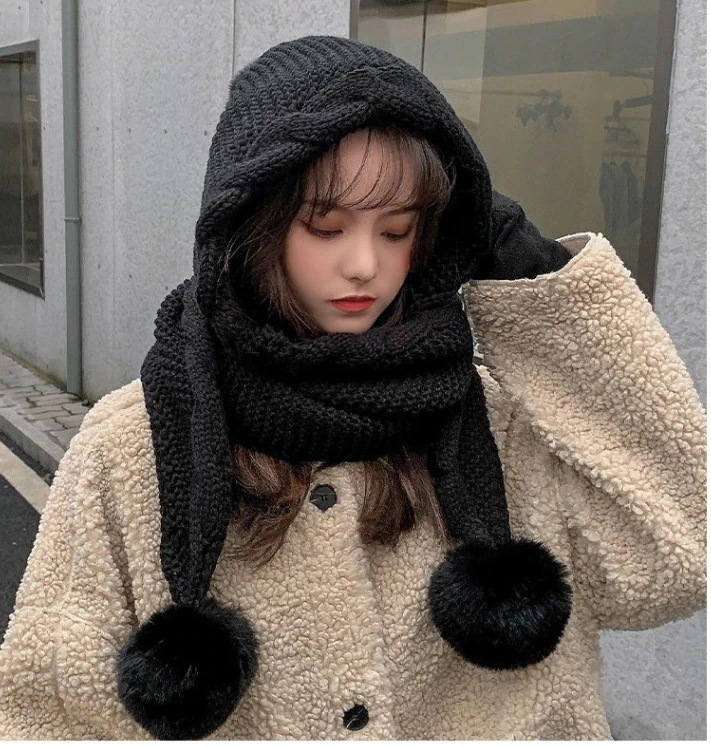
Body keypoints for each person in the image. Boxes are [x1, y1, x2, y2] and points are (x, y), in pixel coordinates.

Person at [0, 35, 705, 741]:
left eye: (397, 231)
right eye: (326, 227)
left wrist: (539, 278)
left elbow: (675, 559)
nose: (365, 263)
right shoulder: (134, 446)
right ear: (251, 226)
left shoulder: (502, 423)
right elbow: (43, 710)